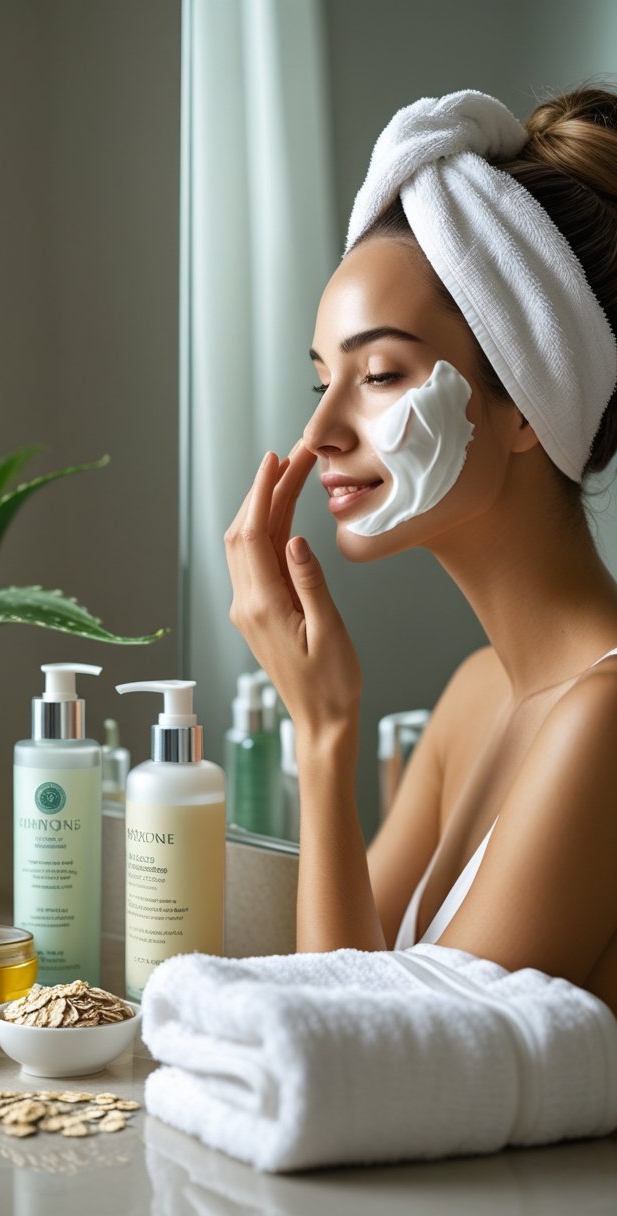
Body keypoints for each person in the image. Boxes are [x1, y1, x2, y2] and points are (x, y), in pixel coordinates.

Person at [224, 88, 617, 1017]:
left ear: (525, 406)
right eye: (321, 381)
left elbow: (359, 1044)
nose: (320, 431)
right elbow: (347, 987)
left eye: (378, 375)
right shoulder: (476, 695)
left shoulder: (606, 722)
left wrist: (325, 734)